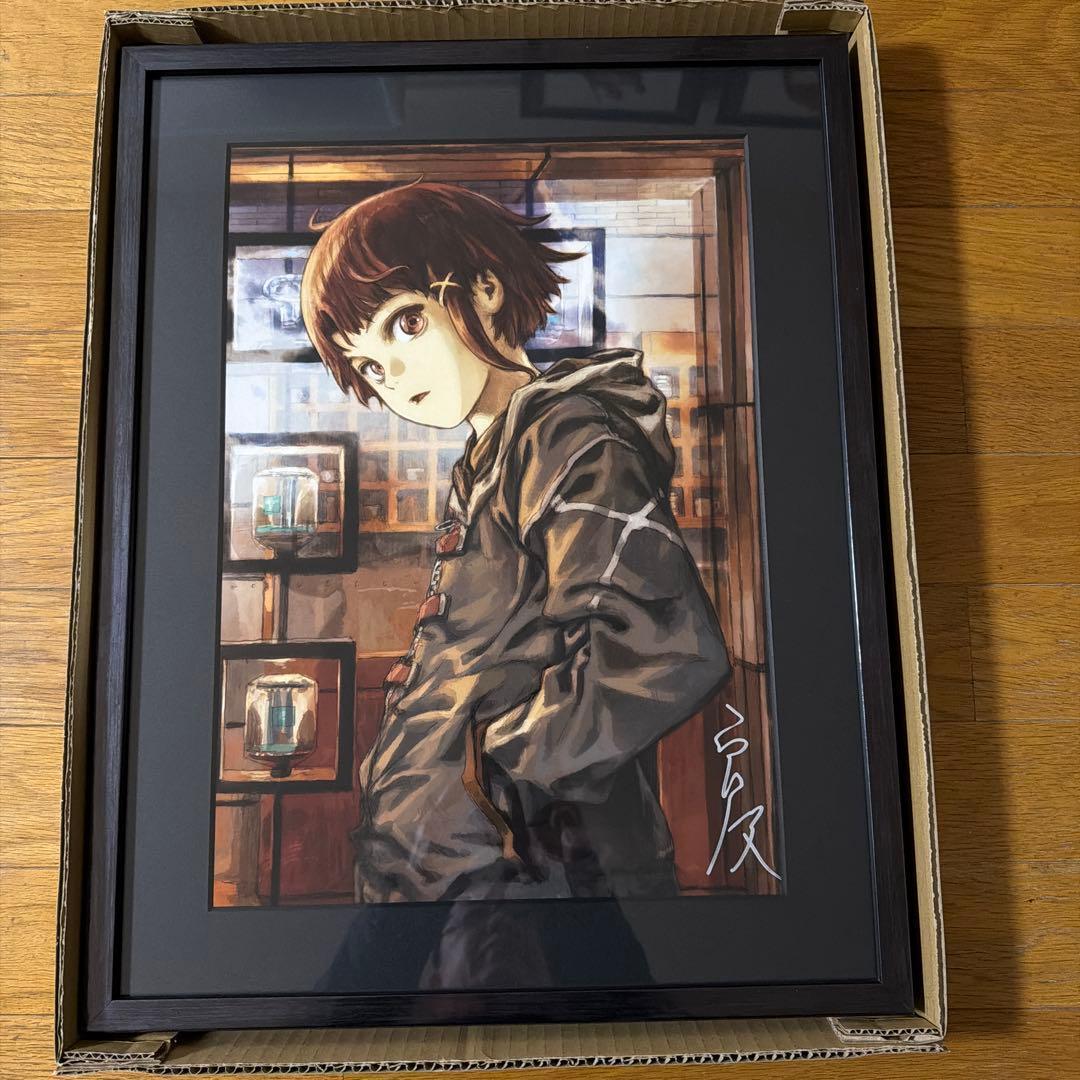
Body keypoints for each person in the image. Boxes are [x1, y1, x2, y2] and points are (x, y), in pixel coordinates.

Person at [300, 180, 732, 914]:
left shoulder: (564, 438)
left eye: (406, 324)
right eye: (369, 366)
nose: (394, 377)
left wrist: (495, 769)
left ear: (487, 287)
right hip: (455, 870)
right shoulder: (492, 454)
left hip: (525, 878)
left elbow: (664, 652)